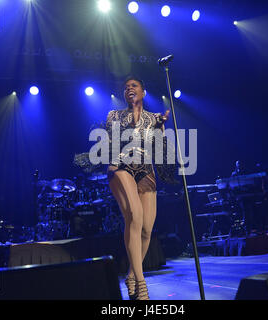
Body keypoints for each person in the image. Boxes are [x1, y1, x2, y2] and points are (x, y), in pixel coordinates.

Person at [105, 76, 171, 300]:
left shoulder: (153, 118)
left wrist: (161, 128)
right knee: (134, 216)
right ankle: (142, 284)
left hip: (146, 170)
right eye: (126, 88)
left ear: (143, 91)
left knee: (146, 230)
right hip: (120, 167)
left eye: (134, 86)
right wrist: (135, 110)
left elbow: (160, 148)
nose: (129, 89)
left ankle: (132, 275)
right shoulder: (114, 115)